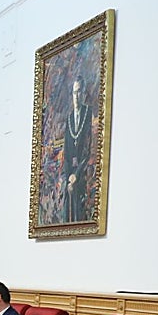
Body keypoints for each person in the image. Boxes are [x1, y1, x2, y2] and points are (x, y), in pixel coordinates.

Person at [62, 78, 91, 223]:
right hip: (70, 173)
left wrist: (76, 175)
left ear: (83, 93)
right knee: (66, 196)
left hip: (83, 170)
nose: (76, 96)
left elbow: (88, 149)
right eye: (74, 92)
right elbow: (66, 153)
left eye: (79, 92)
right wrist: (69, 178)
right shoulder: (69, 119)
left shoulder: (88, 113)